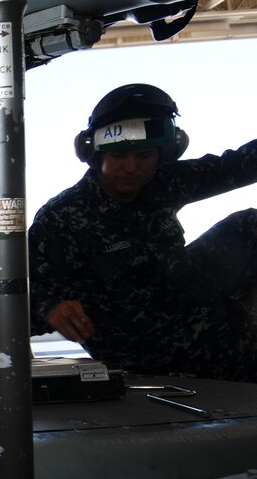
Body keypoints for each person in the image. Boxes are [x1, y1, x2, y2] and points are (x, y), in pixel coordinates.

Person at [28, 82, 257, 381]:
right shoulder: (60, 217)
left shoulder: (163, 183)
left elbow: (237, 166)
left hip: (211, 326)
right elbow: (16, 293)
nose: (131, 167)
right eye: (119, 156)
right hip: (146, 360)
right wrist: (48, 307)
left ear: (162, 155)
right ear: (96, 155)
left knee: (249, 225)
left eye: (144, 156)